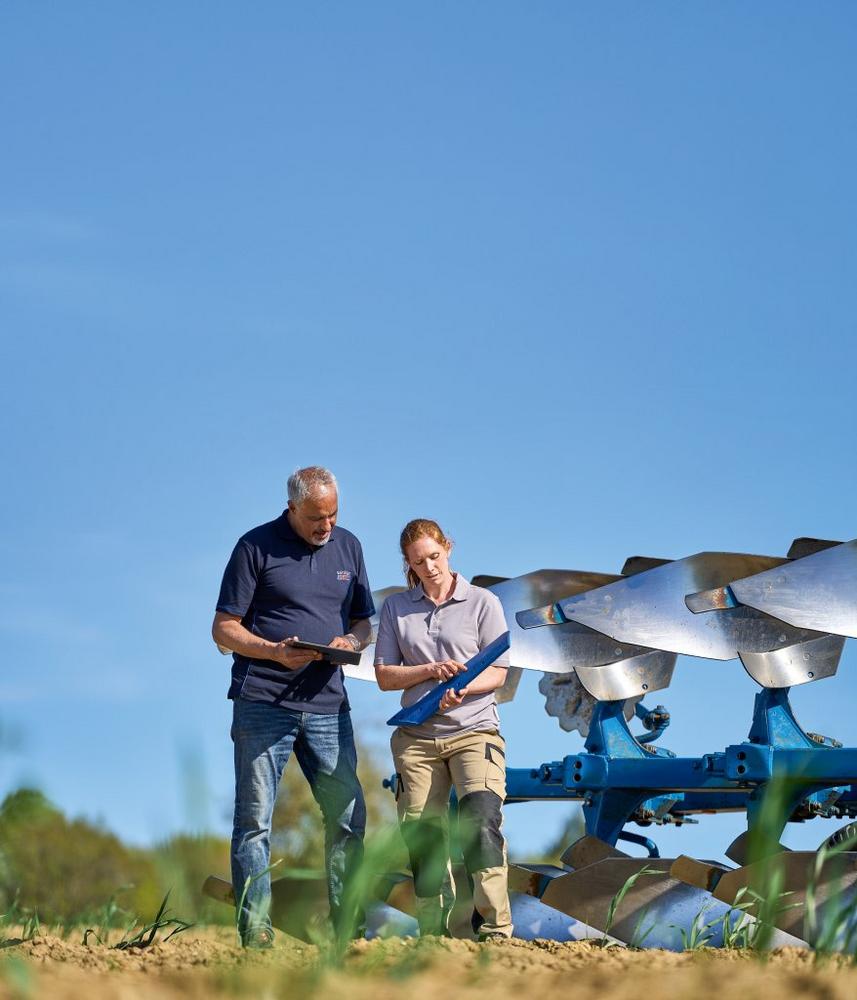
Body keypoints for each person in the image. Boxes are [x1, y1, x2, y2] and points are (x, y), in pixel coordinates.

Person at [212, 466, 374, 948]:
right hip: (263, 701)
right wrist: (273, 651)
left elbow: (364, 622)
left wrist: (351, 641)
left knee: (347, 815)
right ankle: (256, 932)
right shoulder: (254, 547)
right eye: (315, 517)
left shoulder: (349, 546)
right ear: (292, 508)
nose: (326, 525)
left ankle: (350, 933)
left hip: (328, 705)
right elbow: (224, 628)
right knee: (254, 821)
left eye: (333, 514)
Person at [374, 518, 513, 941]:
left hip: (475, 731)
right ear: (408, 564)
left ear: (448, 548)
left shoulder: (483, 602)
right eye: (418, 562)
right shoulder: (396, 608)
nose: (429, 567)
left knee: (480, 821)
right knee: (423, 837)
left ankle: (495, 929)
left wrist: (464, 687)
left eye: (434, 556)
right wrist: (431, 670)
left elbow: (499, 672)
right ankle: (435, 934)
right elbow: (385, 675)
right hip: (417, 739)